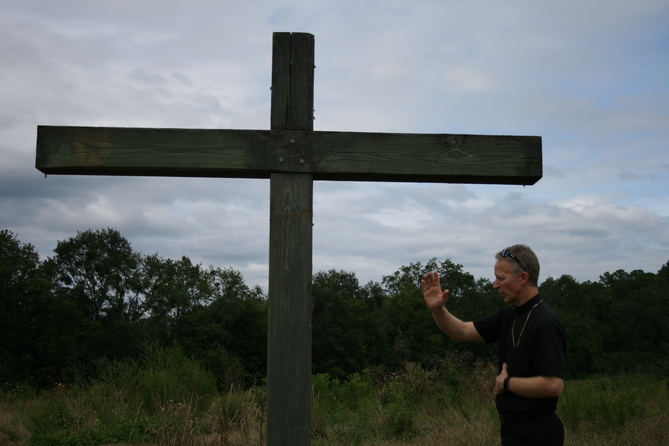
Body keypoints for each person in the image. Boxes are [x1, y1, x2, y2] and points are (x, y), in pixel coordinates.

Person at [421, 244, 566, 445]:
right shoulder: (507, 317)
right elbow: (461, 332)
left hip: (538, 432)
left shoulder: (545, 322)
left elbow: (553, 386)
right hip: (513, 429)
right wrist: (437, 310)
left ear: (523, 278)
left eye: (501, 278)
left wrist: (506, 383)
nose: (495, 285)